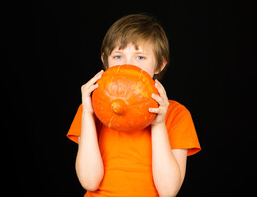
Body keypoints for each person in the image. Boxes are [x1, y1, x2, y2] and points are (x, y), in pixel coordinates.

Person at [67, 13, 201, 197]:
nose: (128, 65)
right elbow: (89, 181)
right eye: (118, 56)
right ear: (105, 61)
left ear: (159, 65)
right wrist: (88, 115)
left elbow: (168, 191)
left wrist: (158, 124)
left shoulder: (177, 114)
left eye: (140, 57)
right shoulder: (88, 109)